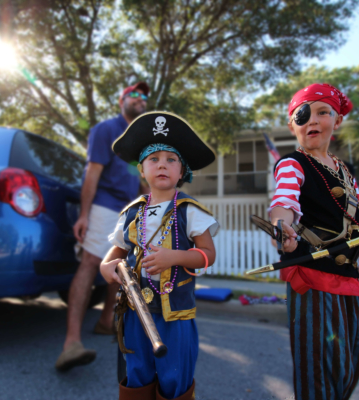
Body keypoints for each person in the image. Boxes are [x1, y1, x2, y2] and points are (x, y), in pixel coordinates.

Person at [268, 83, 359, 400]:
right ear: (293, 125)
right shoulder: (293, 164)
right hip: (312, 277)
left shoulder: (346, 173)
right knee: (317, 370)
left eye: (323, 112)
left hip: (349, 280)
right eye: (302, 115)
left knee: (354, 354)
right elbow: (284, 202)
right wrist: (282, 227)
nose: (313, 120)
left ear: (337, 121)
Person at [100, 112, 218, 400]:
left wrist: (174, 257)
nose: (162, 164)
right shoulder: (132, 212)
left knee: (174, 375)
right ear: (141, 169)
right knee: (137, 371)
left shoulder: (190, 210)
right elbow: (115, 253)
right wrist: (107, 267)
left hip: (175, 312)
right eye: (154, 159)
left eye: (171, 159)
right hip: (135, 311)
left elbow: (207, 255)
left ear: (181, 171)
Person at [55, 82, 150, 371]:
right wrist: (84, 214)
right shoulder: (106, 129)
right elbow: (92, 172)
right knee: (90, 264)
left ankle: (106, 321)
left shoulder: (138, 141)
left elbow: (140, 181)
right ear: (121, 99)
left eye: (144, 96)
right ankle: (71, 342)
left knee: (121, 267)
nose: (140, 99)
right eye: (134, 94)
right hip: (103, 206)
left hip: (126, 211)